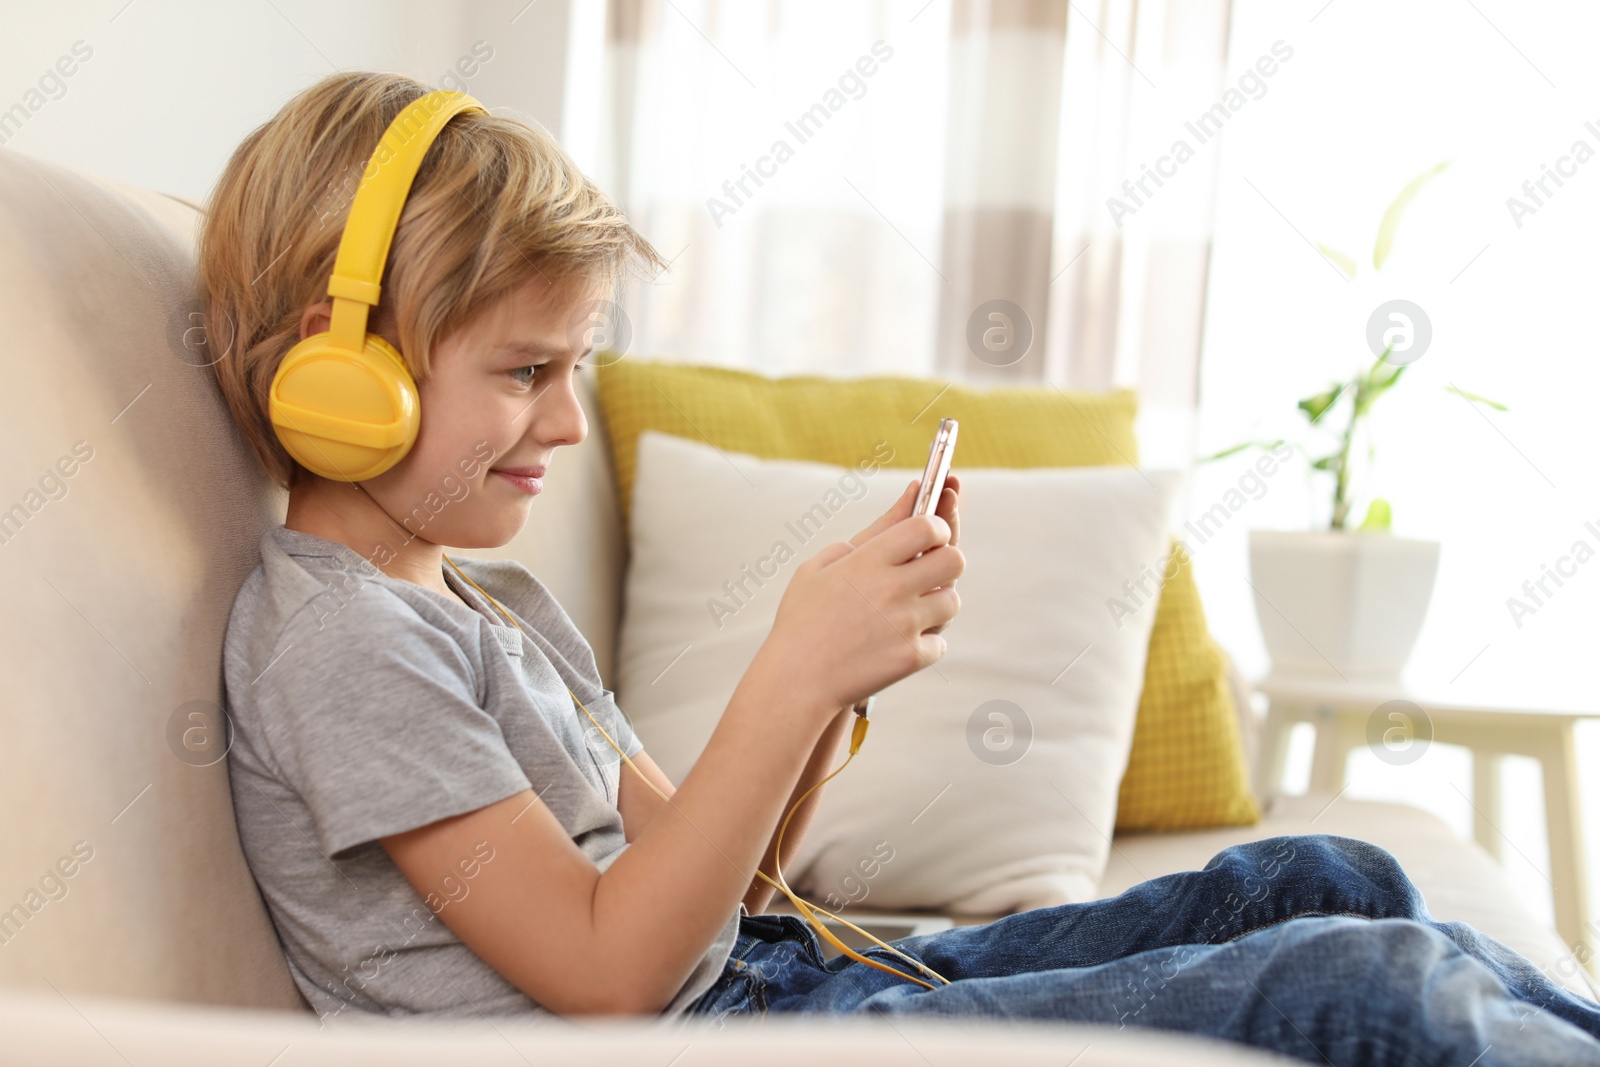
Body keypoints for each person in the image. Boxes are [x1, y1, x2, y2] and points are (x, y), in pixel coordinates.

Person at [203, 71, 1600, 1065]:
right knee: (1365, 983)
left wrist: (829, 689)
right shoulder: (339, 647)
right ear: (343, 374)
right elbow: (615, 976)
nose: (566, 421)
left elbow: (719, 898)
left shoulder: (488, 601)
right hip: (714, 1039)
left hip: (766, 980)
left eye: (578, 369)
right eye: (526, 373)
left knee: (1321, 881)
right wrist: (787, 666)